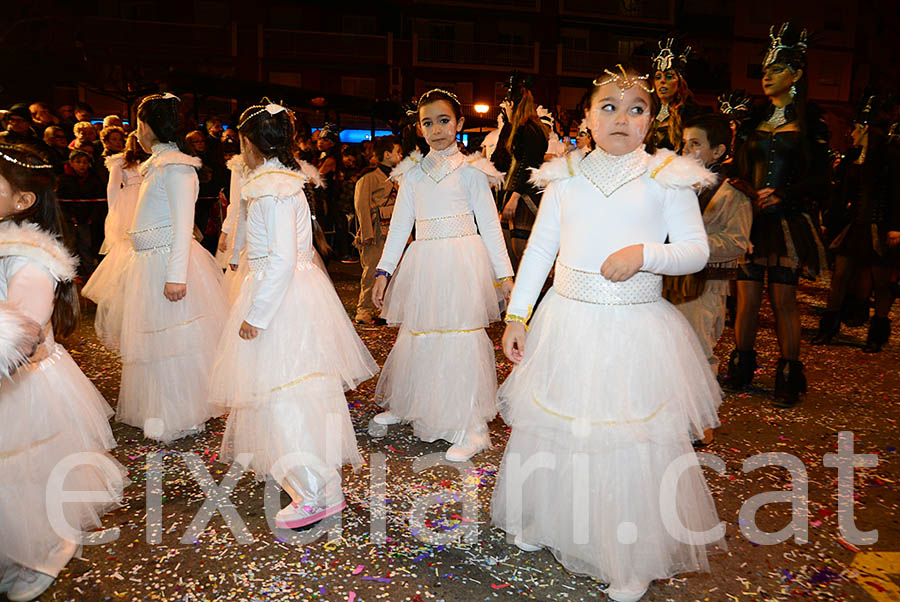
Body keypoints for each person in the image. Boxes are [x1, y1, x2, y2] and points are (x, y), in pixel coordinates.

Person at [492, 64, 723, 602]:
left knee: (626, 438)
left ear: (652, 120)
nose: (622, 117)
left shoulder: (668, 176)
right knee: (558, 426)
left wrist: (645, 254)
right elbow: (541, 250)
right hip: (567, 319)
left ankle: (629, 553)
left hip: (633, 326)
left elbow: (695, 249)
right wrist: (518, 315)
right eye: (609, 107)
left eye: (636, 108)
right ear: (589, 118)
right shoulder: (564, 175)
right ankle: (550, 521)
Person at [208, 101, 376, 529]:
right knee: (293, 394)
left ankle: (316, 489)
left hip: (280, 299)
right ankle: (316, 485)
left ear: (249, 144)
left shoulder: (272, 189)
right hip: (286, 292)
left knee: (286, 395)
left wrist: (258, 315)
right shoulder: (278, 182)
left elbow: (282, 259)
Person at [0, 144, 125, 602]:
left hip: (23, 385)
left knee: (26, 475)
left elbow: (19, 342)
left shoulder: (30, 259)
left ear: (23, 201)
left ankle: (42, 551)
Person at [371, 89, 514, 462]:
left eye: (444, 120)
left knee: (460, 338)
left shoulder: (472, 172)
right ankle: (413, 404)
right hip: (425, 262)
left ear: (460, 124)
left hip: (463, 262)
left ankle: (471, 424)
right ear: (419, 129)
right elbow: (401, 226)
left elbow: (491, 227)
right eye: (427, 123)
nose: (436, 129)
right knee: (419, 334)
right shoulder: (412, 175)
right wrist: (383, 272)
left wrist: (505, 276)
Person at [107, 92, 228, 442]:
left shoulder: (176, 167)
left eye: (140, 124)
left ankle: (182, 413)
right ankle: (158, 408)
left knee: (174, 342)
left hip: (166, 264)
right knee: (153, 343)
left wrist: (177, 276)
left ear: (152, 127)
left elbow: (182, 225)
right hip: (149, 263)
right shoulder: (157, 166)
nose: (137, 132)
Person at [724, 23, 830, 408]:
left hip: (787, 221)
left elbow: (822, 177)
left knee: (784, 299)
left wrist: (783, 193)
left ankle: (788, 371)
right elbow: (736, 166)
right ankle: (742, 365)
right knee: (747, 298)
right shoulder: (754, 120)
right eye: (766, 70)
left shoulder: (810, 123)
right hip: (753, 221)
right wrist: (749, 191)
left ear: (797, 74)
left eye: (777, 69)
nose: (767, 76)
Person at [664, 113, 754, 446]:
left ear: (718, 151)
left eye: (696, 144)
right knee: (667, 349)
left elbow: (737, 242)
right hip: (670, 281)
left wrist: (692, 245)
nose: (687, 150)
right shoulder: (675, 186)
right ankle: (669, 415)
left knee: (699, 351)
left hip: (706, 285)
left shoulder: (733, 194)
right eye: (684, 142)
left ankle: (701, 422)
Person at [812, 95, 900, 352]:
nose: (850, 133)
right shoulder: (852, 158)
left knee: (881, 281)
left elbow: (897, 192)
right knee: (840, 276)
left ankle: (878, 332)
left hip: (880, 225)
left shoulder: (890, 156)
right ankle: (828, 327)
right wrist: (830, 222)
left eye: (855, 128)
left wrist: (896, 226)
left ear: (866, 130)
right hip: (854, 226)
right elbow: (842, 195)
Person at [82, 132, 149, 349]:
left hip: (147, 201)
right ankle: (127, 296)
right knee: (125, 248)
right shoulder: (119, 161)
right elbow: (112, 188)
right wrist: (114, 213)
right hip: (129, 204)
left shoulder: (151, 160)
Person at [500, 74, 548, 269]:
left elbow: (530, 165)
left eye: (507, 105)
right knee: (509, 252)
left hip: (524, 197)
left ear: (514, 104)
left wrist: (515, 197)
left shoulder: (531, 129)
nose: (505, 109)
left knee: (522, 253)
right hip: (514, 194)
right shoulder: (518, 128)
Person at [353, 135, 401, 325]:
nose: (401, 155)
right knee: (372, 272)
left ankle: (385, 311)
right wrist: (367, 234)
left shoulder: (399, 177)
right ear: (387, 154)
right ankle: (364, 310)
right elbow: (362, 207)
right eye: (398, 152)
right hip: (376, 232)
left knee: (395, 273)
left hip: (396, 232)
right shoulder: (369, 178)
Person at [56, 149, 106, 278]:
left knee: (86, 245)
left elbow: (98, 201)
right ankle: (71, 272)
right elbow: (59, 202)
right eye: (78, 162)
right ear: (71, 163)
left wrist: (92, 217)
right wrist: (68, 216)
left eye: (85, 162)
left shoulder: (93, 179)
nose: (82, 165)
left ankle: (89, 270)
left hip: (86, 219)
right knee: (70, 245)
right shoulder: (62, 179)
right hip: (69, 220)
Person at [648, 37, 704, 152]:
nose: (662, 81)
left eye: (669, 77)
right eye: (658, 77)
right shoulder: (647, 110)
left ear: (680, 82)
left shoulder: (691, 114)